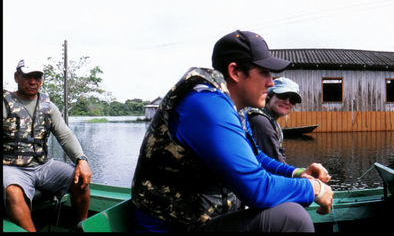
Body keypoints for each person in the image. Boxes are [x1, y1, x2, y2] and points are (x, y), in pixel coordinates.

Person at [130, 30, 333, 232]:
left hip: (202, 221)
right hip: (174, 228)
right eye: (263, 72)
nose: (271, 82)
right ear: (235, 72)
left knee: (287, 205)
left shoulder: (235, 108)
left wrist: (297, 173)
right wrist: (315, 188)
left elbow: (255, 156)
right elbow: (257, 190)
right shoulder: (205, 106)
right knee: (292, 218)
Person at [3, 60, 92, 232]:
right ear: (17, 77)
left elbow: (65, 135)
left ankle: (82, 226)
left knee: (80, 178)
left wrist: (82, 159)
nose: (33, 81)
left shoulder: (48, 106)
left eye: (37, 77)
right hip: (10, 166)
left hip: (43, 165)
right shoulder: (5, 103)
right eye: (27, 76)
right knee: (13, 192)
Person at [247, 77, 302, 163]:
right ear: (269, 96)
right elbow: (275, 163)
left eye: (293, 100)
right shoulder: (260, 121)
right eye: (283, 96)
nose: (287, 102)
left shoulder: (270, 121)